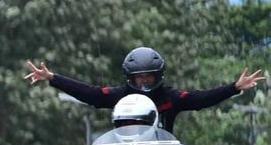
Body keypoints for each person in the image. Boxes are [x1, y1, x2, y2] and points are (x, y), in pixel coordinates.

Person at [25, 46, 264, 133]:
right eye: (139, 78)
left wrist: (234, 87)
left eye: (149, 77)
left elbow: (200, 99)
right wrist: (53, 78)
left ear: (158, 75)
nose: (144, 82)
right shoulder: (119, 95)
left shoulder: (171, 97)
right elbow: (92, 95)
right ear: (130, 78)